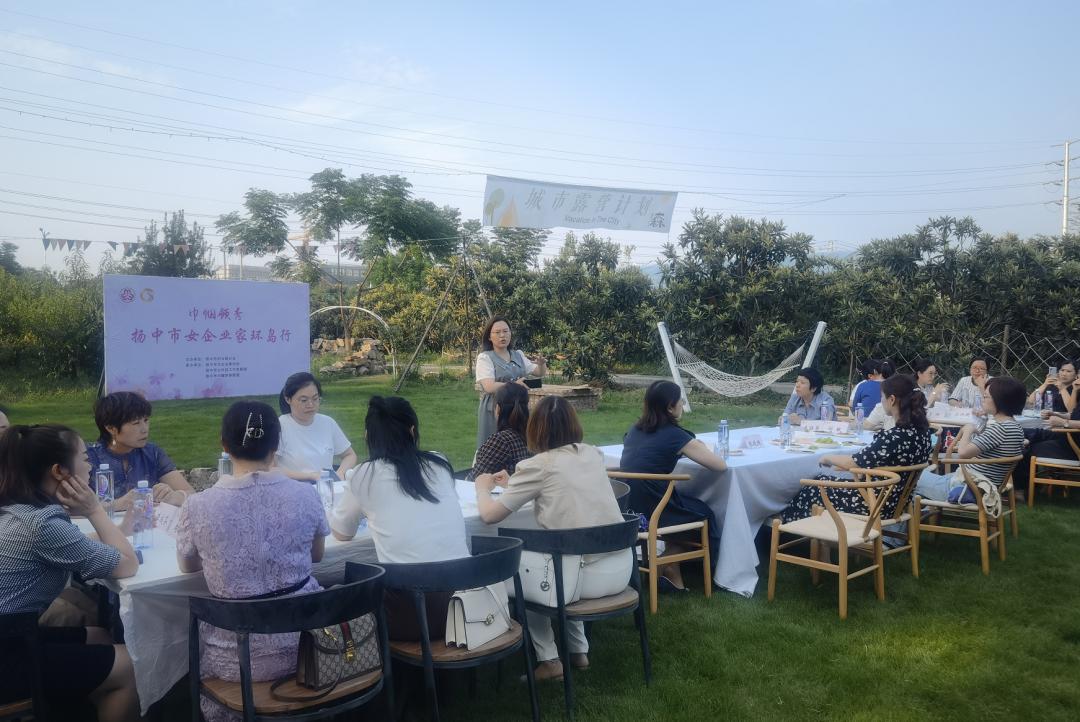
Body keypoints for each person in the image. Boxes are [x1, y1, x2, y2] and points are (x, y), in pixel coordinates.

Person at [176, 401, 328, 722]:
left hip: (234, 659)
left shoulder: (198, 505)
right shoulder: (306, 495)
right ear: (277, 445)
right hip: (307, 647)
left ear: (224, 444)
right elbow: (316, 556)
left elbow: (188, 567)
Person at [474, 396, 631, 682]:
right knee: (562, 556)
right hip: (619, 569)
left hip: (578, 581)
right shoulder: (592, 454)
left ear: (535, 428)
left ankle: (549, 659)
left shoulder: (538, 466)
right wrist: (515, 486)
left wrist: (482, 489)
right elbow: (562, 488)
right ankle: (578, 650)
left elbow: (489, 516)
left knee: (518, 566)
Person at [0, 424, 141, 722]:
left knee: (101, 636)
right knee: (132, 667)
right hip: (9, 655)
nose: (90, 466)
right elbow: (128, 564)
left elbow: (71, 545)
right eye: (85, 458)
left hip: (14, 634)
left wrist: (116, 530)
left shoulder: (18, 510)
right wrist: (94, 510)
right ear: (59, 471)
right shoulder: (42, 525)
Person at [330, 396, 469, 641]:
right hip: (467, 605)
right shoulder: (439, 463)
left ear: (368, 436)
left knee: (344, 584)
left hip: (413, 617)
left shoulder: (364, 475)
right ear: (412, 431)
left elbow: (341, 532)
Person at [781, 375, 933, 523]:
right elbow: (870, 462)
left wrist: (827, 458)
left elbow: (853, 462)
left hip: (873, 503)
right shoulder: (923, 433)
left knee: (814, 485)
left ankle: (788, 527)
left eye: (882, 397)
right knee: (824, 480)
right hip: (896, 502)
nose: (881, 401)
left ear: (892, 400)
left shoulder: (894, 437)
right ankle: (802, 526)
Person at [618, 380, 723, 591]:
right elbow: (720, 466)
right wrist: (694, 446)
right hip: (656, 508)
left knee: (685, 508)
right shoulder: (675, 435)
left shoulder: (635, 430)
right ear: (670, 407)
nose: (682, 404)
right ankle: (665, 563)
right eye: (680, 401)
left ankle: (673, 574)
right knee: (705, 514)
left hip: (630, 508)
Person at [917, 377, 1026, 501]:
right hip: (981, 484)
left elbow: (963, 453)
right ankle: (920, 508)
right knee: (919, 476)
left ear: (1000, 401)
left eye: (985, 396)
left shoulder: (1000, 429)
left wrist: (968, 430)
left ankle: (914, 509)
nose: (982, 399)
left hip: (968, 487)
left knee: (912, 476)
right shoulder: (1015, 427)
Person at [87, 391, 193, 510]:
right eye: (136, 423)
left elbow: (192, 495)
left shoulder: (152, 453)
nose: (144, 429)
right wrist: (118, 504)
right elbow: (73, 507)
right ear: (111, 428)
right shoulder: (88, 458)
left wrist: (175, 496)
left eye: (146, 420)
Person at [475, 316, 547, 448]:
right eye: (497, 332)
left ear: (510, 333)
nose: (502, 335)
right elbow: (489, 386)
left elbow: (539, 372)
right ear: (489, 336)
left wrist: (541, 364)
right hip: (496, 407)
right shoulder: (485, 357)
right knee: (495, 445)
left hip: (519, 406)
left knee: (521, 442)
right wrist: (514, 385)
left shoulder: (518, 355)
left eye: (505, 331)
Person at [274, 371, 358, 481]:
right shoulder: (280, 426)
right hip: (293, 487)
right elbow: (271, 468)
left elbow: (349, 455)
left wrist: (340, 473)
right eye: (304, 400)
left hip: (326, 486)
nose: (310, 405)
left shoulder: (327, 423)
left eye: (315, 399)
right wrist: (311, 476)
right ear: (288, 399)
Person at [472, 382, 532, 477]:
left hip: (505, 486)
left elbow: (475, 478)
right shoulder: (533, 435)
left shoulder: (501, 440)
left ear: (498, 409)